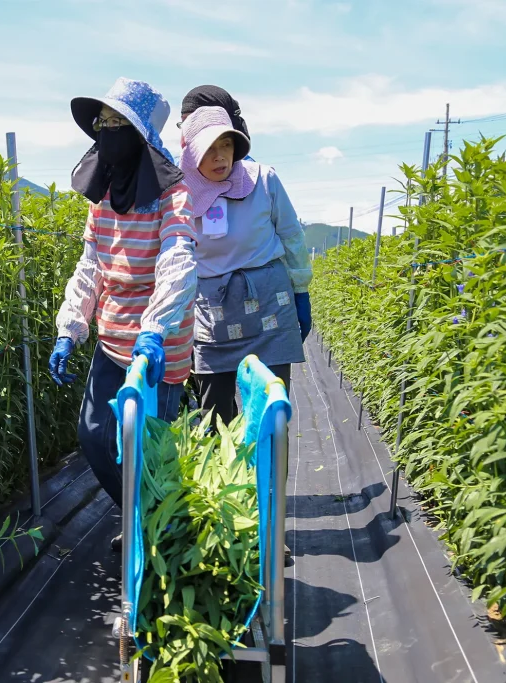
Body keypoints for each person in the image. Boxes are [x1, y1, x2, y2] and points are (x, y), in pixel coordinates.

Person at [48, 78, 198, 549]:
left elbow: (178, 263)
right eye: (102, 124)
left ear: (140, 136)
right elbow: (90, 266)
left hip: (158, 351)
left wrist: (153, 331)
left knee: (152, 450)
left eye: (118, 124)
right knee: (95, 436)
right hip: (112, 344)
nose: (108, 132)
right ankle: (145, 520)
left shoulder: (172, 197)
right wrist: (70, 327)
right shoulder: (104, 198)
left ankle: (163, 539)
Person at [177, 86, 312, 429]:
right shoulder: (180, 197)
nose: (220, 156)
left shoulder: (263, 180)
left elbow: (292, 236)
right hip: (212, 314)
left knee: (271, 414)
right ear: (191, 153)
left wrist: (301, 291)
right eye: (209, 148)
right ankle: (231, 482)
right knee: (216, 416)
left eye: (227, 145)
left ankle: (269, 484)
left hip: (269, 305)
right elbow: (174, 258)